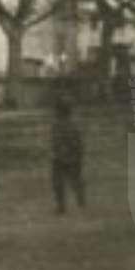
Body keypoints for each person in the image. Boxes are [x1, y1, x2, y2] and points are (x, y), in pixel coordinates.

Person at [50, 80, 84, 213]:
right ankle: (75, 200)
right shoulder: (70, 124)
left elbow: (60, 141)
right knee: (69, 179)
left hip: (65, 155)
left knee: (62, 181)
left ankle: (65, 204)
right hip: (66, 155)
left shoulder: (62, 125)